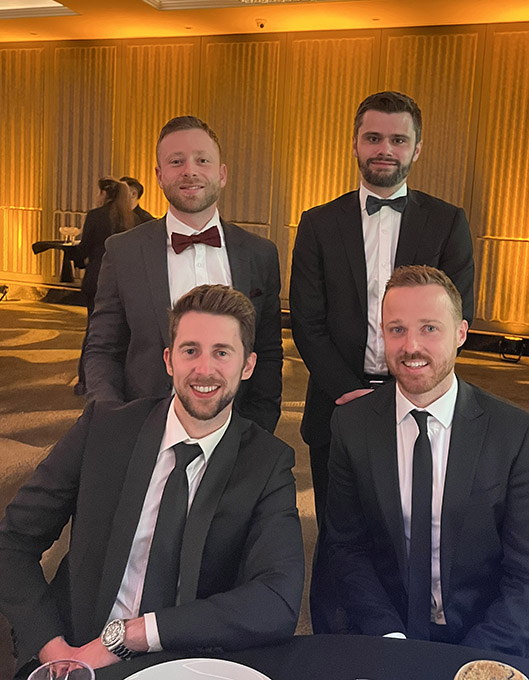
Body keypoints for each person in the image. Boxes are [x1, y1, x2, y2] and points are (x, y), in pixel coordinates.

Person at [0, 285, 304, 675]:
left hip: (186, 659)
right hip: (75, 650)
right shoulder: (105, 430)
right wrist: (52, 647)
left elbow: (277, 598)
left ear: (247, 366)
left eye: (222, 353)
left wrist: (134, 634)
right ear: (169, 360)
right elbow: (12, 542)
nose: (204, 369)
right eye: (190, 350)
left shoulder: (267, 462)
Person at [322, 265, 529, 664]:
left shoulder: (515, 435)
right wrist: (389, 636)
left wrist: (472, 662)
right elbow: (347, 549)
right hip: (387, 627)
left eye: (429, 328)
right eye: (396, 329)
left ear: (461, 334)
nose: (411, 345)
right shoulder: (352, 425)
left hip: (489, 631)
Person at [290, 91, 475, 522]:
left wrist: (408, 387)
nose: (385, 150)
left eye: (398, 139)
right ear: (355, 144)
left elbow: (453, 321)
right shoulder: (318, 223)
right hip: (336, 403)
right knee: (338, 532)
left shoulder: (448, 222)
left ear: (416, 148)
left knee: (411, 527)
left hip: (420, 400)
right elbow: (307, 320)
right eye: (373, 138)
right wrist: (348, 393)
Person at [85, 116, 283, 432]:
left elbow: (269, 352)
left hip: (236, 430)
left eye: (202, 160)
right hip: (141, 427)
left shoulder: (260, 254)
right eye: (176, 161)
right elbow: (102, 348)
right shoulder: (123, 252)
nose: (189, 170)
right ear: (160, 176)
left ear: (222, 174)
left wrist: (258, 428)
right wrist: (113, 417)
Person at [71, 177, 135, 394]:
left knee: (94, 330)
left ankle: (85, 381)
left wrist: (78, 261)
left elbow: (85, 247)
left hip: (97, 279)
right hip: (125, 281)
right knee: (121, 330)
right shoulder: (132, 218)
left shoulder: (96, 216)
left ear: (105, 194)